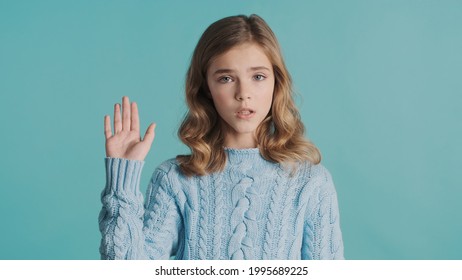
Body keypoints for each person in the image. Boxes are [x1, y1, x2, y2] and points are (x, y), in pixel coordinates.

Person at [99, 14, 344, 260]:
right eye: (226, 78)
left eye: (258, 76)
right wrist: (123, 180)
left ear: (276, 82)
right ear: (207, 87)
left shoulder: (311, 183)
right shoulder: (175, 180)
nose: (243, 93)